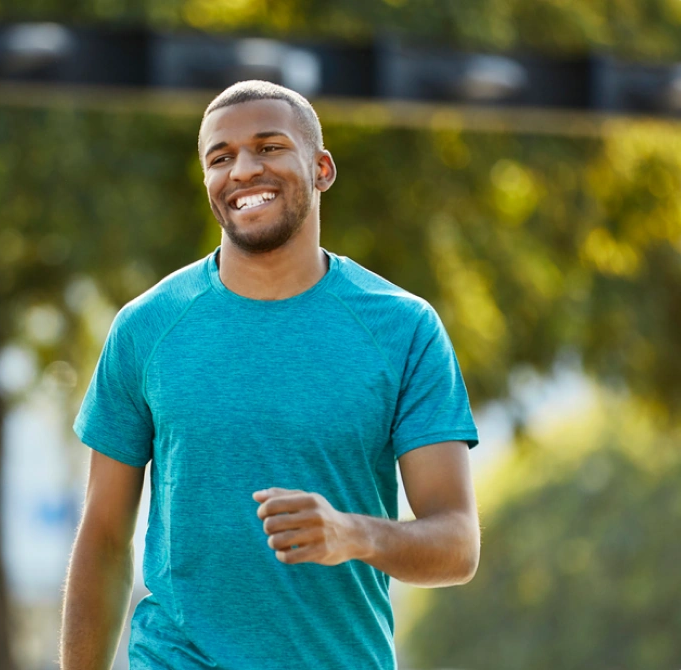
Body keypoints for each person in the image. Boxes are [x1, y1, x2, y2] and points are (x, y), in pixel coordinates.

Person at [60, 79, 481, 670]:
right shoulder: (145, 327)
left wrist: (353, 534)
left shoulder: (403, 328)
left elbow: (457, 543)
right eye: (220, 158)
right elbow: (104, 537)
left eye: (269, 147)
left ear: (321, 169)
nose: (243, 170)